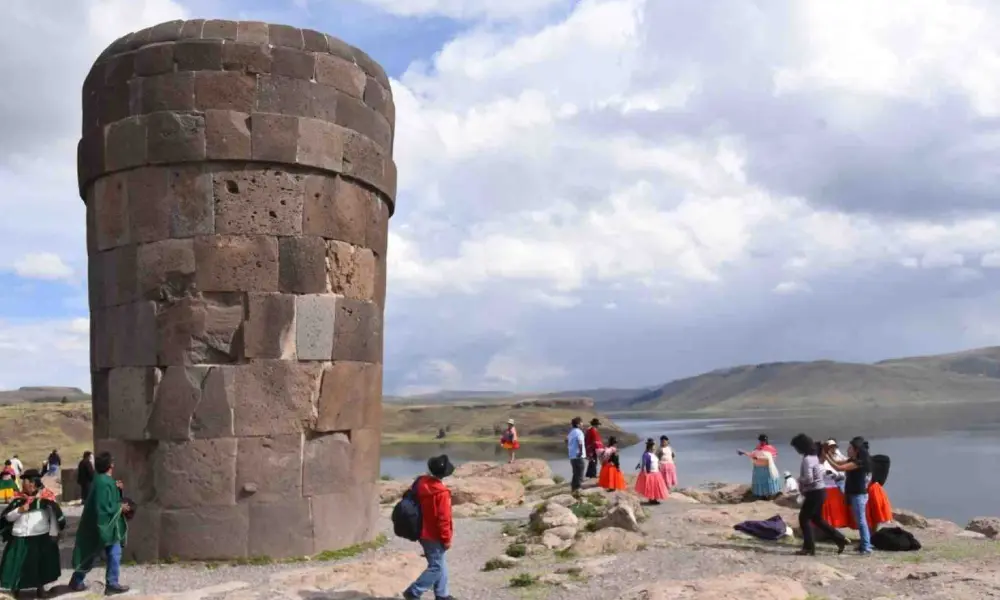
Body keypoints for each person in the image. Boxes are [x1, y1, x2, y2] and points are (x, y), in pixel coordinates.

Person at [69, 452, 130, 595]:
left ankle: (78, 580)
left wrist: (117, 488)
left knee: (94, 552)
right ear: (111, 465)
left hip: (103, 525)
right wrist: (120, 507)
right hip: (103, 526)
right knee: (109, 552)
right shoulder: (103, 482)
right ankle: (111, 584)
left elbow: (107, 498)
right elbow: (103, 507)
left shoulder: (102, 480)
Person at [0, 469, 65, 598]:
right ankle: (15, 589)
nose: (23, 484)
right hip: (19, 537)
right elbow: (7, 518)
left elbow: (54, 517)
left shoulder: (47, 498)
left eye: (26, 482)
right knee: (15, 565)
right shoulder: (18, 498)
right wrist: (19, 510)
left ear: (33, 484)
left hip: (40, 537)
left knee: (40, 565)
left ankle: (41, 590)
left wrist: (54, 534)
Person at [403, 455, 455, 600]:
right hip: (434, 534)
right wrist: (446, 539)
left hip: (420, 530)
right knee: (436, 567)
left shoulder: (420, 482)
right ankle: (414, 591)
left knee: (439, 563)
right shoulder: (442, 493)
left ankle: (442, 595)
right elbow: (443, 519)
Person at [791, 433, 847, 556]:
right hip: (820, 491)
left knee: (804, 519)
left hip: (814, 492)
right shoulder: (814, 457)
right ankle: (839, 538)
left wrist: (799, 480)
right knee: (817, 519)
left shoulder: (807, 459)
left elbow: (809, 479)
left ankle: (809, 548)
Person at [827, 436, 883, 554]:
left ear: (856, 450)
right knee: (860, 521)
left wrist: (826, 456)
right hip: (855, 494)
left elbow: (839, 467)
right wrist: (827, 452)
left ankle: (866, 546)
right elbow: (837, 462)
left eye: (850, 448)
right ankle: (865, 544)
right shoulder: (853, 460)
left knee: (861, 521)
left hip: (859, 495)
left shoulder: (859, 462)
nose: (848, 450)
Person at [739, 434, 781, 500]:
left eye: (763, 440)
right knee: (760, 482)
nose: (762, 442)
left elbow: (772, 458)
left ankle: (770, 495)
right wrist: (744, 453)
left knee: (767, 482)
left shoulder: (770, 448)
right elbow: (752, 455)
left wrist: (757, 458)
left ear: (766, 440)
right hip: (758, 469)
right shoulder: (757, 448)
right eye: (761, 440)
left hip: (767, 469)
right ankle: (762, 495)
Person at [634, 439, 669, 505]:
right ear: (650, 446)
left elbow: (656, 462)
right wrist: (644, 472)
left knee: (655, 487)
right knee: (651, 487)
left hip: (656, 473)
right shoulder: (646, 455)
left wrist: (659, 466)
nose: (655, 447)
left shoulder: (653, 454)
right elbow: (643, 464)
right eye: (654, 446)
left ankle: (654, 499)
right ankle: (651, 499)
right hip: (650, 473)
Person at [567, 417, 586, 495]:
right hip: (578, 456)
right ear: (578, 424)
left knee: (575, 473)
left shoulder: (571, 432)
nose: (583, 424)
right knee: (580, 473)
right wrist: (581, 452)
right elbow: (580, 442)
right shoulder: (579, 432)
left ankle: (573, 489)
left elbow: (566, 440)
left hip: (572, 456)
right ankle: (578, 490)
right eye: (581, 423)